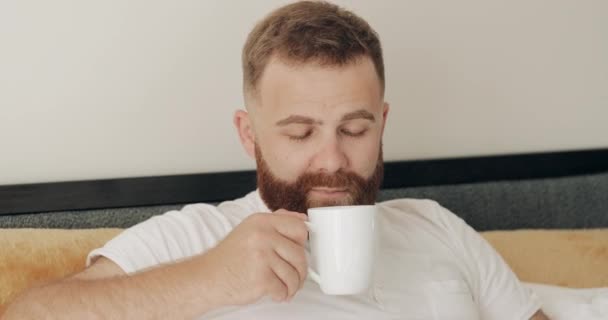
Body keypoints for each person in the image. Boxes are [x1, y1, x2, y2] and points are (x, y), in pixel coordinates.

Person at [4, 1, 550, 319]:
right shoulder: (197, 238)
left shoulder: (435, 226)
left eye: (355, 129)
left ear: (382, 124)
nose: (332, 159)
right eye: (299, 132)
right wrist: (209, 279)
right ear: (249, 135)